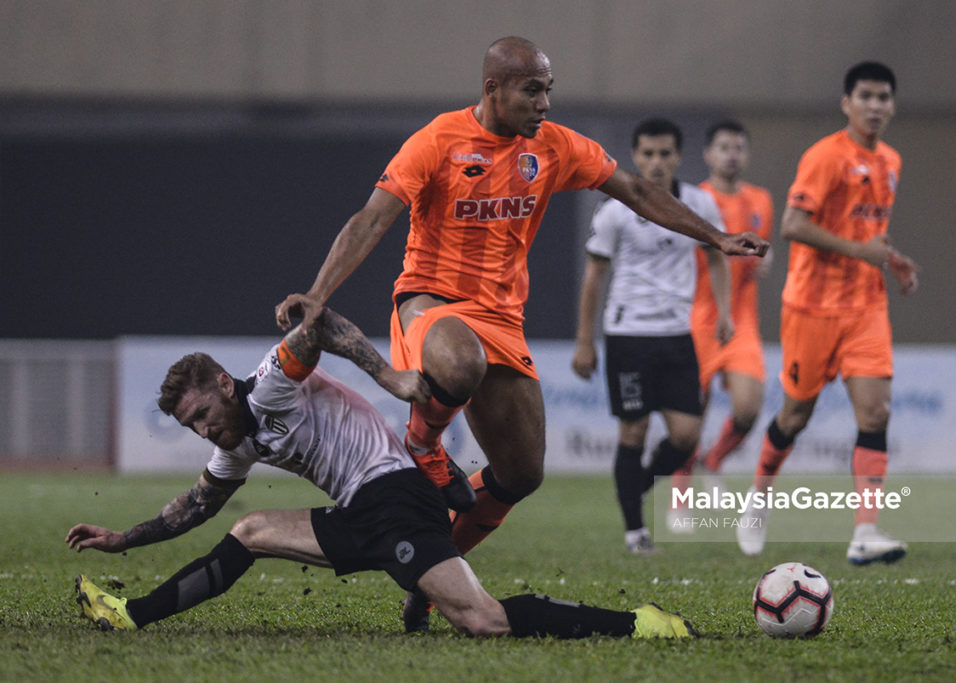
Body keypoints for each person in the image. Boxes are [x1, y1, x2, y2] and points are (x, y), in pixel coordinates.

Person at [273, 36, 769, 627]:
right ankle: (423, 444)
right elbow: (371, 219)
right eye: (533, 90)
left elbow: (636, 191)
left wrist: (714, 236)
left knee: (521, 474)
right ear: (493, 89)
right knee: (460, 362)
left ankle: (435, 573)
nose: (545, 104)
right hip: (429, 302)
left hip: (503, 319)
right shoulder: (438, 141)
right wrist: (318, 294)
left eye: (548, 91)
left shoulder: (553, 147)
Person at [68, 296, 695, 640]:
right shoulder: (235, 443)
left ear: (222, 388)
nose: (203, 430)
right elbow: (195, 506)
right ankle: (130, 614)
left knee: (483, 619)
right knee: (250, 529)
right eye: (190, 426)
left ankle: (640, 623)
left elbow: (322, 323)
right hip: (365, 510)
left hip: (395, 496)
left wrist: (389, 374)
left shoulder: (267, 386)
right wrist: (124, 539)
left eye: (203, 412)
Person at [736, 62, 920, 564]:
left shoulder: (892, 161)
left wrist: (892, 259)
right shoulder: (825, 156)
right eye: (866, 96)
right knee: (795, 415)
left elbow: (867, 233)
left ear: (892, 105)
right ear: (847, 103)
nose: (876, 105)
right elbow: (793, 225)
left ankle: (865, 531)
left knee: (876, 411)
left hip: (865, 305)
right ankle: (759, 498)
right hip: (812, 307)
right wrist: (863, 252)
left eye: (884, 97)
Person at [571, 117, 732, 553]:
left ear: (678, 156)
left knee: (686, 436)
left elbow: (718, 256)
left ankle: (635, 486)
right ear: (636, 156)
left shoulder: (700, 203)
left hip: (677, 334)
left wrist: (723, 311)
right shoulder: (615, 210)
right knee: (634, 431)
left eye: (665, 154)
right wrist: (585, 341)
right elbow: (594, 278)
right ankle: (635, 532)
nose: (656, 162)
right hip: (628, 335)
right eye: (648, 154)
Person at [667, 120, 774, 509]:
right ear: (708, 155)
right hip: (696, 316)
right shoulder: (694, 200)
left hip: (742, 319)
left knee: (748, 409)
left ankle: (713, 461)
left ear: (745, 155)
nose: (731, 154)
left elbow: (763, 247)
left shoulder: (761, 200)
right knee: (690, 417)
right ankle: (680, 502)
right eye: (724, 147)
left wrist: (768, 256)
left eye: (738, 147)